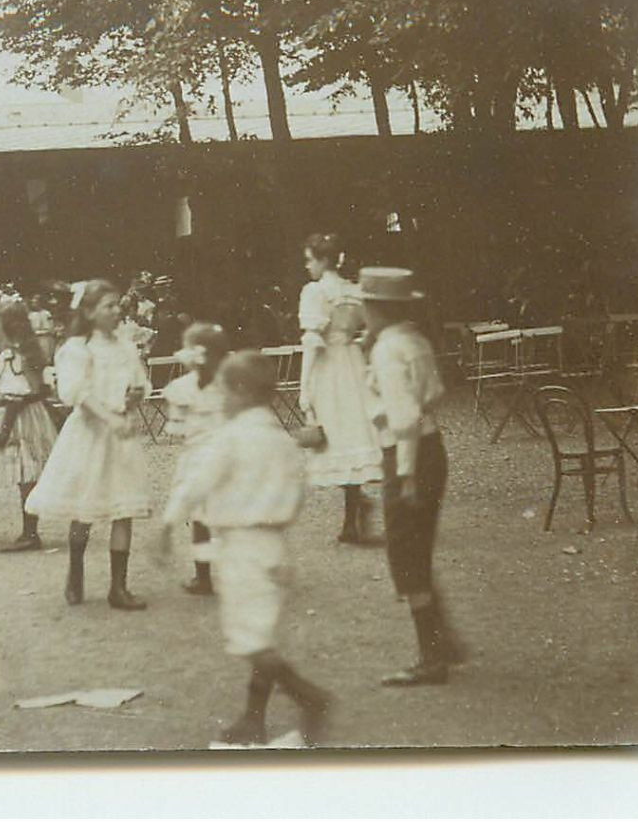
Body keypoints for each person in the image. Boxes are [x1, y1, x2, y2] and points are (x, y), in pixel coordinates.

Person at [158, 351, 332, 747]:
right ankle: (253, 717)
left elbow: (198, 482)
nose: (220, 400)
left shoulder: (232, 438)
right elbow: (297, 492)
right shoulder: (283, 441)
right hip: (276, 545)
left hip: (242, 546)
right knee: (261, 633)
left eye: (223, 391)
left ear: (239, 391)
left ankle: (311, 698)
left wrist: (169, 522)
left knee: (252, 639)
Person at [361, 267, 462, 688]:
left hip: (409, 454)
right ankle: (443, 644)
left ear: (377, 309)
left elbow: (402, 419)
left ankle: (430, 658)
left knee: (407, 556)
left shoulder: (387, 349)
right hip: (432, 447)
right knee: (417, 550)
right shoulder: (415, 340)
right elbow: (434, 393)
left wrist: (404, 476)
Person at [25, 280, 151, 610]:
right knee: (85, 508)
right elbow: (77, 393)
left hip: (119, 435)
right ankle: (75, 571)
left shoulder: (125, 346)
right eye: (107, 306)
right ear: (90, 312)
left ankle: (118, 587)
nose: (115, 311)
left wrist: (135, 396)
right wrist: (109, 417)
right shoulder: (78, 349)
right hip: (90, 434)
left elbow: (139, 381)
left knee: (123, 509)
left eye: (116, 304)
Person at [297, 233, 385, 544]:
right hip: (352, 364)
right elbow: (372, 330)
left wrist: (304, 386)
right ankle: (353, 511)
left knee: (335, 436)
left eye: (310, 259)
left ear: (323, 260)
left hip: (329, 369)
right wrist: (355, 344)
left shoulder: (315, 292)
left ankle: (353, 516)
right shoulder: (353, 292)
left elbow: (313, 341)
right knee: (349, 435)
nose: (308, 266)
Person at [0, 298, 59, 553]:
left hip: (25, 416)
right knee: (24, 475)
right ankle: (29, 529)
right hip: (13, 412)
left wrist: (4, 432)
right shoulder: (7, 355)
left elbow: (35, 390)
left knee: (28, 473)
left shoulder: (24, 356)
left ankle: (31, 532)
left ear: (9, 327)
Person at [161, 322, 231, 596]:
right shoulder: (230, 385)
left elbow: (178, 430)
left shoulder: (181, 388)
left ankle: (204, 576)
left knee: (200, 518)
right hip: (228, 457)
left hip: (199, 459)